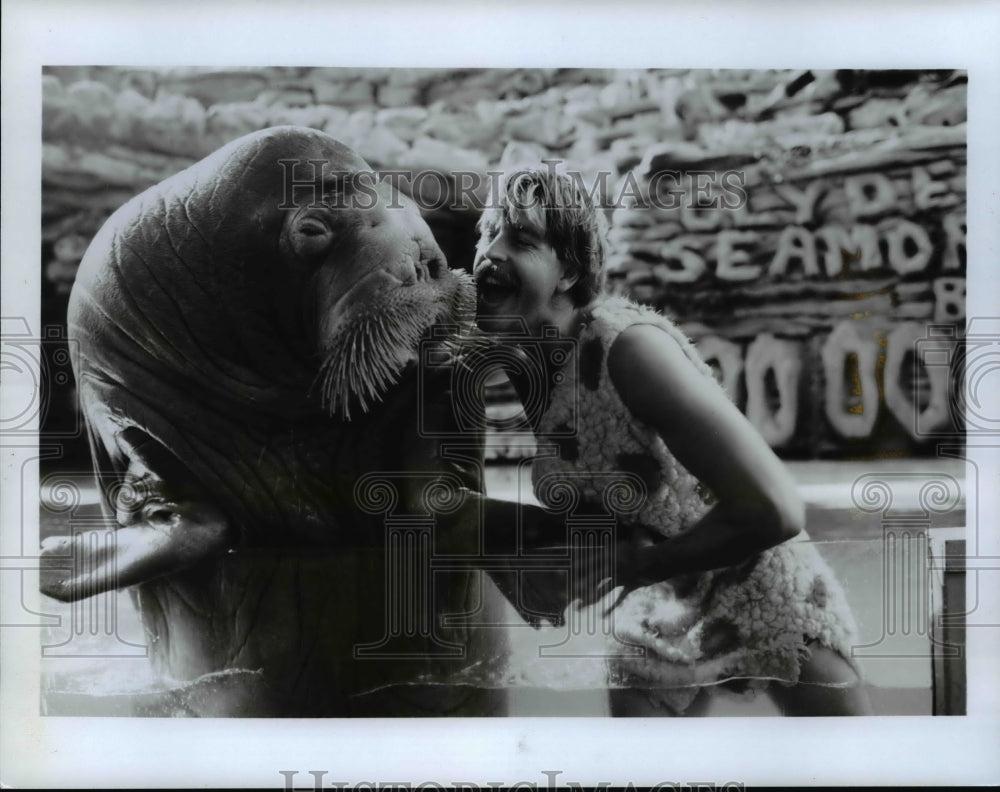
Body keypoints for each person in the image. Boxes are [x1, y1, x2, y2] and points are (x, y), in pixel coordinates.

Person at [472, 164, 872, 716]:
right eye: (486, 232)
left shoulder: (629, 348)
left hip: (757, 583)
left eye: (520, 238)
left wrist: (631, 568)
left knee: (854, 765)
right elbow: (611, 501)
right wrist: (508, 554)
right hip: (661, 603)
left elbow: (775, 509)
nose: (489, 252)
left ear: (567, 271)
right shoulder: (530, 361)